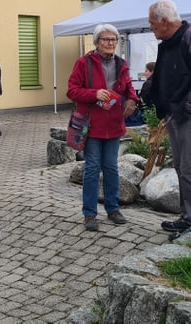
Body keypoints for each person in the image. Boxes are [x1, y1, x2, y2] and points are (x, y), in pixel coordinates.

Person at [147, 0, 191, 240]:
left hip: (189, 114)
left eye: (152, 23)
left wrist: (189, 107)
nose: (151, 28)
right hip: (175, 113)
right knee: (181, 167)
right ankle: (187, 217)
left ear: (165, 22)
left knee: (190, 168)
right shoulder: (169, 42)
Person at [66, 24, 140, 231]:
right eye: (106, 39)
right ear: (97, 42)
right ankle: (89, 214)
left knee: (111, 167)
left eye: (113, 39)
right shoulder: (84, 63)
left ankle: (113, 208)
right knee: (91, 168)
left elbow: (128, 87)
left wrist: (133, 100)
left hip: (114, 124)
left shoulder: (121, 64)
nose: (110, 43)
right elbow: (71, 91)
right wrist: (94, 94)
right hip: (91, 125)